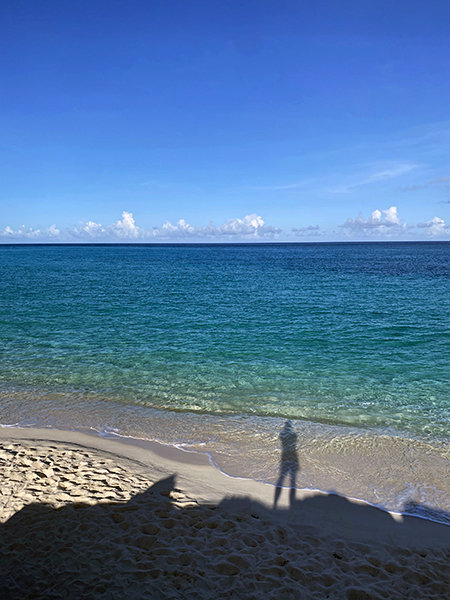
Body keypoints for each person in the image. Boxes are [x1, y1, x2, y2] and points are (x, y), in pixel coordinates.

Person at [273, 420, 299, 508]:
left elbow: (282, 438)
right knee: (293, 480)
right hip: (293, 456)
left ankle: (275, 503)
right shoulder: (294, 434)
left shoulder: (281, 434)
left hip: (284, 456)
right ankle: (292, 504)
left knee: (281, 477)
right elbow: (295, 442)